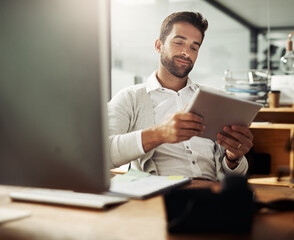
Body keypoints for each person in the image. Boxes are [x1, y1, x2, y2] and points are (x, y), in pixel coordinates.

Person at [108, 11, 254, 181]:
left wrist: (233, 158)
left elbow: (235, 174)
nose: (186, 52)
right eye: (179, 43)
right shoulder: (129, 98)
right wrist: (159, 133)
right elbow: (100, 154)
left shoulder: (216, 99)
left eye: (194, 47)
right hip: (159, 196)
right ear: (158, 45)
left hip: (211, 193)